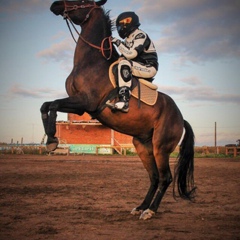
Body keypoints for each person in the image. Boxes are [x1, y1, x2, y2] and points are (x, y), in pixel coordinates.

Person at [111, 11, 158, 112]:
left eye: (122, 24)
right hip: (137, 65)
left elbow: (131, 54)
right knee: (118, 64)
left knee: (124, 64)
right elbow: (122, 56)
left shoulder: (140, 35)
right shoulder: (128, 39)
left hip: (148, 67)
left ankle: (124, 101)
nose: (120, 28)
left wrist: (117, 42)